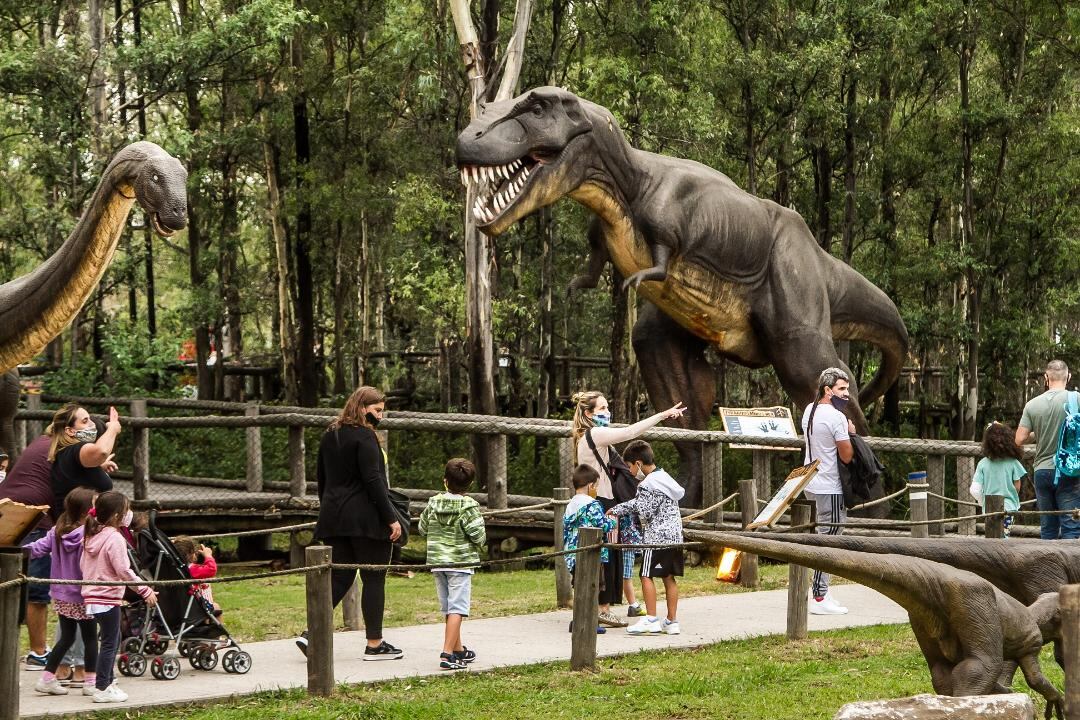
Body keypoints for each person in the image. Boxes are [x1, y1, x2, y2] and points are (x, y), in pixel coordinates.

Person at [296, 386, 403, 661]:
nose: (380, 416)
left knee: (340, 576)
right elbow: (373, 481)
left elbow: (322, 477)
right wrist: (391, 518)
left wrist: (328, 508)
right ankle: (375, 644)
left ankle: (311, 633)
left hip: (334, 516)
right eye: (377, 410)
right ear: (362, 408)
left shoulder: (331, 434)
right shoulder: (366, 437)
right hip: (365, 518)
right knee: (374, 577)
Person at [571, 391, 685, 626]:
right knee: (604, 556)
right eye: (601, 409)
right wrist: (662, 415)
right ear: (588, 414)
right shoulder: (595, 433)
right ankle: (601, 607)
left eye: (606, 407)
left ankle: (601, 606)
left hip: (605, 500)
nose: (607, 412)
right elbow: (630, 432)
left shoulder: (588, 437)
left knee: (608, 555)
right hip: (602, 501)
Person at [81, 490, 157, 703]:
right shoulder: (114, 538)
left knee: (109, 641)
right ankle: (102, 688)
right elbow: (124, 571)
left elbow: (83, 565)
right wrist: (145, 590)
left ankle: (108, 680)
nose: (129, 514)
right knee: (109, 644)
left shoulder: (93, 533)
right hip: (106, 598)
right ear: (116, 516)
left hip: (93, 597)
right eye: (126, 510)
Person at [23, 487, 98, 697]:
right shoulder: (89, 535)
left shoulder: (57, 530)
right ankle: (91, 682)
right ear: (87, 511)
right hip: (83, 595)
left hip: (61, 594)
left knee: (66, 638)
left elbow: (36, 548)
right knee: (91, 638)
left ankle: (46, 679)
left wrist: (16, 550)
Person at [417, 458, 486, 671]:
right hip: (460, 563)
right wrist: (480, 543)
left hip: (438, 562)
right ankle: (447, 654)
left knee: (449, 606)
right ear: (470, 484)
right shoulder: (469, 506)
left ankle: (458, 649)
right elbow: (478, 535)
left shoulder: (433, 502)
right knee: (458, 607)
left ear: (445, 481)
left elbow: (422, 528)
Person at [610, 440, 685, 635]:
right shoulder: (664, 477)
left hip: (656, 538)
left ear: (638, 463)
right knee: (669, 577)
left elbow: (643, 509)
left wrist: (617, 509)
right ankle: (671, 621)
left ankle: (651, 618)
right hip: (675, 536)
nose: (630, 472)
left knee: (645, 575)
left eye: (629, 467)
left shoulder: (647, 484)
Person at [801, 367, 855, 616]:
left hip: (810, 483)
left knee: (821, 537)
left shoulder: (809, 411)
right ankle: (820, 597)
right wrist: (851, 433)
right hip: (830, 486)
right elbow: (846, 455)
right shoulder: (836, 418)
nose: (847, 394)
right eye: (842, 389)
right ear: (827, 390)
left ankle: (819, 590)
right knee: (830, 540)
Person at [1, 432, 56, 669]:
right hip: (31, 519)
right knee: (37, 591)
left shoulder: (42, 443)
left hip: (13, 516)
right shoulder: (63, 450)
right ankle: (38, 652)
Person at [1016, 360, 1079, 540]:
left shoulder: (1032, 404)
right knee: (1072, 528)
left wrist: (1039, 431)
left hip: (1042, 471)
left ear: (1046, 378)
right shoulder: (1077, 399)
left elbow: (1019, 439)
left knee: (1048, 529)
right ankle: (1073, 569)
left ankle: (1048, 568)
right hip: (1069, 471)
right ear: (1068, 377)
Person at [562, 464, 616, 635]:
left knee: (579, 587)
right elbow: (601, 524)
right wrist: (612, 522)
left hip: (573, 554)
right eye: (596, 486)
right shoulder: (592, 504)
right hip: (592, 554)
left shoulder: (571, 505)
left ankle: (577, 619)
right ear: (591, 485)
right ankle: (589, 621)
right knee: (593, 588)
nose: (596, 490)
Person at [49, 405, 119, 519]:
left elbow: (77, 478)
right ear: (70, 431)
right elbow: (101, 451)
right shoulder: (75, 449)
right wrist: (113, 428)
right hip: (78, 530)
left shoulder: (67, 453)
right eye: (85, 421)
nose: (92, 424)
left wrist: (98, 468)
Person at [971, 422, 1025, 538]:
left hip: (989, 508)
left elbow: (975, 490)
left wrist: (983, 501)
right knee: (1004, 537)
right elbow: (1017, 486)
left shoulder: (983, 463)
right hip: (1008, 508)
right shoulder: (1013, 463)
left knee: (992, 537)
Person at [173, 536, 221, 615]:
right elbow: (211, 569)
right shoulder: (192, 569)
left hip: (180, 608)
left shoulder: (174, 569)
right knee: (216, 608)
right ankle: (217, 626)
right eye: (194, 552)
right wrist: (208, 556)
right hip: (195, 608)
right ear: (190, 554)